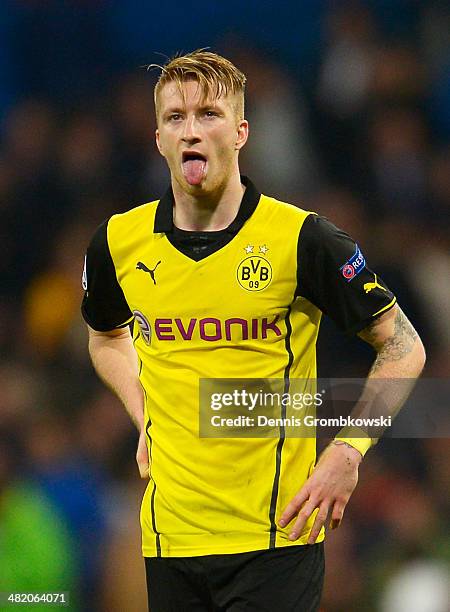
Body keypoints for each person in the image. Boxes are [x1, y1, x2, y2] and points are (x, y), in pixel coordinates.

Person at [81, 50, 426, 611]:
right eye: (175, 118)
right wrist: (144, 411)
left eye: (208, 114)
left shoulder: (303, 239)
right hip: (170, 540)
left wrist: (348, 452)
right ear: (158, 139)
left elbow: (403, 345)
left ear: (241, 132)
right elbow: (106, 337)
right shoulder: (117, 243)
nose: (191, 130)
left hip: (276, 541)